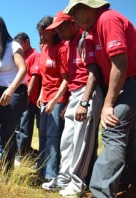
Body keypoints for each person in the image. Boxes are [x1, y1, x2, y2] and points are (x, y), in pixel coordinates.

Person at [64, 0, 136, 197]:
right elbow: (95, 69)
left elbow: (120, 63)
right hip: (122, 84)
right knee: (129, 140)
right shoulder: (92, 31)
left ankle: (100, 193)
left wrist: (108, 104)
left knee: (113, 130)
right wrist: (87, 101)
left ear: (87, 7)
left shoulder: (108, 20)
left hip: (129, 83)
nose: (74, 17)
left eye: (76, 11)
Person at [40, 11, 103, 197]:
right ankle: (64, 177)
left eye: (61, 27)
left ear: (73, 23)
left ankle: (78, 183)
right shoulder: (68, 45)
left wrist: (84, 101)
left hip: (87, 92)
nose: (58, 31)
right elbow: (70, 77)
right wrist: (69, 102)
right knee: (66, 141)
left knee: (81, 141)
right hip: (74, 94)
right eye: (56, 29)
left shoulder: (86, 40)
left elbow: (94, 72)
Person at [0, 16, 27, 167]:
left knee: (7, 132)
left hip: (16, 91)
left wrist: (11, 88)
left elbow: (23, 69)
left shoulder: (13, 46)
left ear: (3, 31)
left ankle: (6, 171)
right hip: (0, 91)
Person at [36, 16, 69, 181]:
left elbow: (66, 79)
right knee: (42, 134)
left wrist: (55, 100)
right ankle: (40, 170)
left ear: (53, 31)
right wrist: (42, 94)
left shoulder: (61, 49)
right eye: (40, 34)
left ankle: (51, 174)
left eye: (45, 33)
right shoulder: (43, 49)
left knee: (52, 136)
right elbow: (43, 75)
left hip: (57, 99)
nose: (41, 37)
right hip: (45, 99)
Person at [13, 32, 41, 163]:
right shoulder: (21, 56)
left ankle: (22, 155)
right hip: (19, 97)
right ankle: (18, 152)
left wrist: (28, 96)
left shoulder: (35, 55)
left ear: (27, 41)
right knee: (17, 127)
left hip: (29, 99)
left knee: (24, 128)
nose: (18, 47)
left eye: (20, 44)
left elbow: (34, 76)